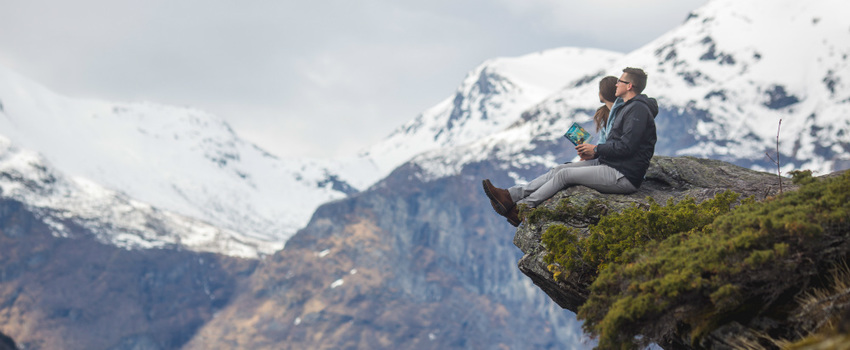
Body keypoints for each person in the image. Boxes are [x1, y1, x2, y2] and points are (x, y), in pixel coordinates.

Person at [483, 67, 658, 227]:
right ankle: (510, 196)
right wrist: (594, 153)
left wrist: (596, 150)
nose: (616, 84)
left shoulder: (638, 110)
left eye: (620, 81)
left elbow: (627, 147)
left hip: (623, 175)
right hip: (610, 164)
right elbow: (617, 144)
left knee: (565, 175)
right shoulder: (627, 108)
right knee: (559, 169)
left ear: (630, 86)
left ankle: (520, 210)